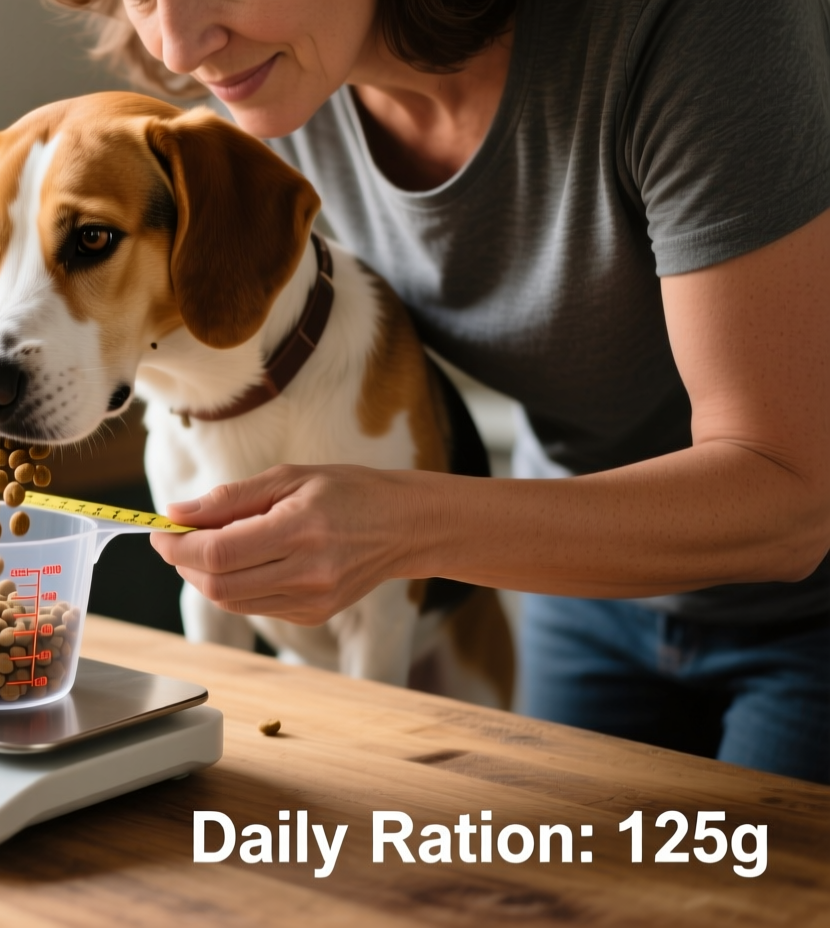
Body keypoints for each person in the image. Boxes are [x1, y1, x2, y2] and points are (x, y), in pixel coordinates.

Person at [50, 0, 830, 784]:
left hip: (806, 616)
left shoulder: (703, 26)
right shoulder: (273, 90)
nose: (180, 47)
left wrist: (402, 524)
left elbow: (791, 502)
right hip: (584, 581)